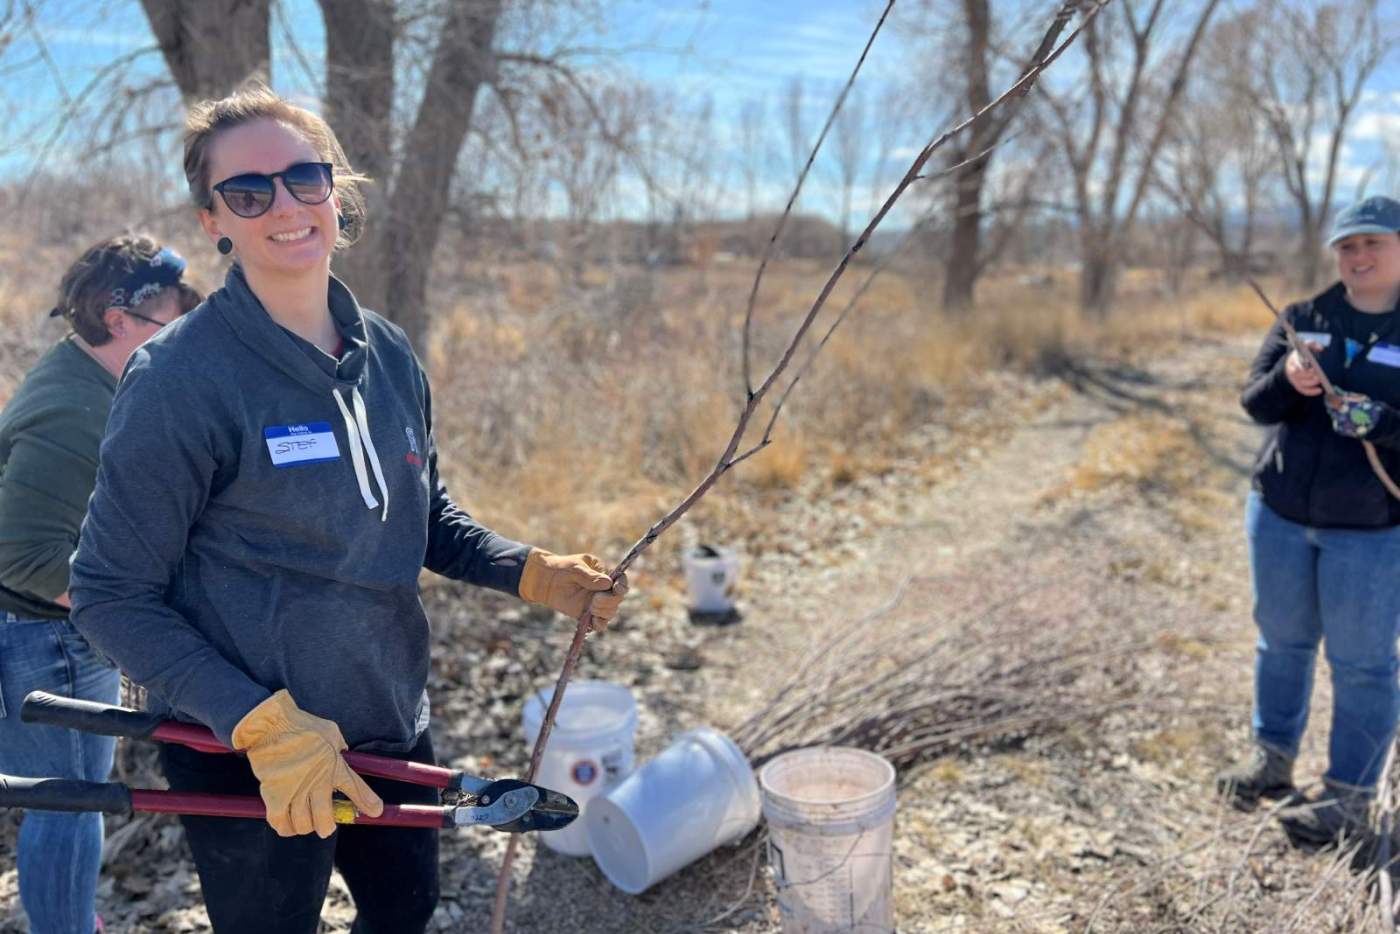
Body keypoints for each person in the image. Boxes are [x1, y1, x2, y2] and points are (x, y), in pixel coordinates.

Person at [66, 82, 628, 934]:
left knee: (405, 909)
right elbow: (108, 593)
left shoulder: (389, 351)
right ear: (213, 219)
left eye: (304, 178)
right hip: (248, 746)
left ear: (337, 191)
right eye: (249, 192)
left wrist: (530, 570)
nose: (284, 205)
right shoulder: (180, 378)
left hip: (387, 713)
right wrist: (259, 723)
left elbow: (421, 516)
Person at [0, 235, 197, 934]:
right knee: (65, 807)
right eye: (174, 321)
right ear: (120, 321)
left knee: (81, 801)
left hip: (69, 634)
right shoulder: (71, 410)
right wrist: (128, 617)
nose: (183, 337)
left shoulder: (98, 384)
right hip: (41, 638)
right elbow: (22, 557)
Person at [1218, 194, 1400, 845]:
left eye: (1372, 243)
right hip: (1281, 515)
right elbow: (1254, 404)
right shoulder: (1303, 319)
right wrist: (1287, 383)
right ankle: (1271, 757)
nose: (1357, 256)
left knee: (1363, 665)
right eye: (1347, 246)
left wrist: (1383, 424)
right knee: (1282, 642)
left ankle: (1349, 797)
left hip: (1372, 532)